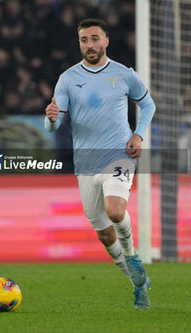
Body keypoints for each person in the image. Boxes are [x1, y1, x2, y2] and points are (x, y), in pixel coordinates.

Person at [44, 18, 156, 309]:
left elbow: (148, 105)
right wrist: (51, 118)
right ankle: (138, 283)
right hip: (86, 164)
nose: (89, 45)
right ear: (79, 43)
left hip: (118, 155)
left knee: (115, 210)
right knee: (105, 233)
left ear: (106, 41)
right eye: (84, 40)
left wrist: (138, 135)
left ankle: (132, 255)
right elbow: (54, 125)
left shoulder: (123, 74)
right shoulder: (68, 78)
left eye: (95, 39)